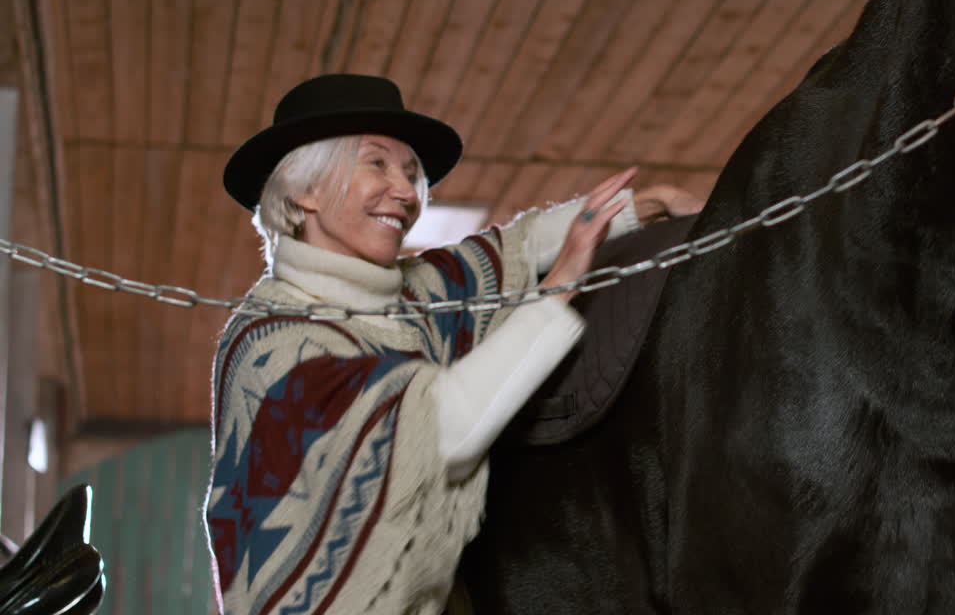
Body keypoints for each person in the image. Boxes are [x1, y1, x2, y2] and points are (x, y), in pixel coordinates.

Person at [202, 73, 703, 615]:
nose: (405, 192)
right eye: (377, 164)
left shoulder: (410, 295)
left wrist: (645, 204)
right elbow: (443, 427)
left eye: (411, 173)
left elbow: (514, 248)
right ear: (306, 190)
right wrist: (560, 288)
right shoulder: (273, 346)